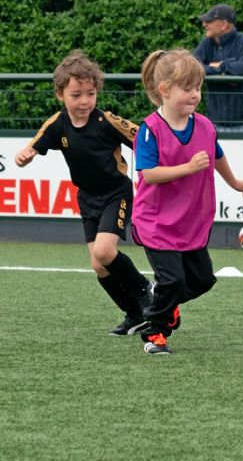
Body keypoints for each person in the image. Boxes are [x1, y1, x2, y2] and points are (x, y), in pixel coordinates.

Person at [15, 51, 153, 337]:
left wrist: (155, 169)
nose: (84, 101)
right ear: (60, 95)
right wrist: (25, 155)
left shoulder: (106, 121)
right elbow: (33, 147)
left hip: (116, 193)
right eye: (76, 95)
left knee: (104, 252)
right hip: (88, 199)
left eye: (90, 94)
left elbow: (143, 138)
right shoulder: (58, 124)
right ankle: (135, 314)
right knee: (99, 266)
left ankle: (144, 290)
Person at [133, 49, 243, 354]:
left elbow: (216, 155)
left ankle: (165, 303)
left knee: (202, 281)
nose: (195, 95)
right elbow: (149, 174)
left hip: (190, 220)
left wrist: (234, 182)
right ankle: (155, 333)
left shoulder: (205, 126)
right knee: (172, 280)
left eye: (198, 88)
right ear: (164, 90)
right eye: (187, 88)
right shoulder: (150, 129)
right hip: (156, 222)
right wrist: (187, 168)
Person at [192, 3, 243, 133]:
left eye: (209, 21)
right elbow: (192, 66)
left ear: (223, 24)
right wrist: (225, 70)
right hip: (215, 123)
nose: (204, 25)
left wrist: (220, 65)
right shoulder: (207, 43)